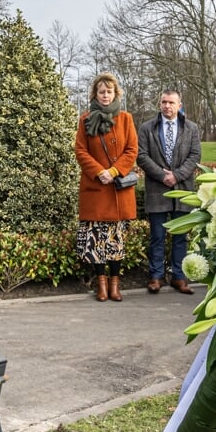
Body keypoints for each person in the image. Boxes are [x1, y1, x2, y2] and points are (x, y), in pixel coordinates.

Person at [75, 72, 138, 303]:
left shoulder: (126, 119)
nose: (105, 95)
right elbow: (80, 150)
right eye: (101, 91)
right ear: (95, 94)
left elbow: (132, 150)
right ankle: (101, 284)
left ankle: (115, 284)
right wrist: (99, 171)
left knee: (115, 241)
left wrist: (113, 171)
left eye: (109, 91)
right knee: (97, 241)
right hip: (96, 187)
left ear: (115, 93)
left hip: (117, 188)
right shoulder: (84, 120)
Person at [136, 89, 201, 294]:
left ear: (179, 105)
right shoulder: (147, 128)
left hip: (182, 189)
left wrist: (177, 175)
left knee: (180, 236)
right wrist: (162, 175)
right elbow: (142, 155)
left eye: (171, 102)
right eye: (164, 102)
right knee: (157, 235)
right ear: (159, 104)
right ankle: (156, 276)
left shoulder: (191, 128)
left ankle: (178, 277)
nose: (167, 106)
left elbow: (195, 155)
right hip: (157, 188)